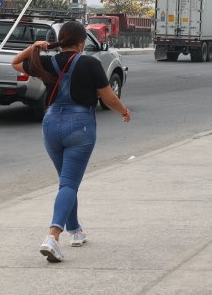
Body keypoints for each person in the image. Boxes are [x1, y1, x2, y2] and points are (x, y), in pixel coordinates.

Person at [10, 20, 131, 263]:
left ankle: (75, 230)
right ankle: (53, 236)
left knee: (67, 182)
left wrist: (34, 46)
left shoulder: (46, 61)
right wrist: (124, 111)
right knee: (68, 184)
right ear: (81, 42)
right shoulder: (90, 62)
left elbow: (14, 63)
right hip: (80, 125)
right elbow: (108, 97)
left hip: (51, 122)